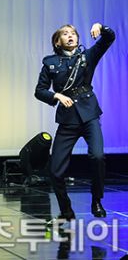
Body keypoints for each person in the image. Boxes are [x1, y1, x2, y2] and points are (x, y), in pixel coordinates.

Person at [34, 22, 115, 221]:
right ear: (57, 41)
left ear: (77, 38)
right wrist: (56, 96)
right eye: (65, 34)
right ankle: (66, 210)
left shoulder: (87, 56)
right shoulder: (50, 62)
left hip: (89, 114)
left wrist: (100, 27)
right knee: (55, 170)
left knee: (97, 156)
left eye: (73, 33)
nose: (70, 36)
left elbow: (109, 38)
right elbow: (39, 91)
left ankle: (97, 200)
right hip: (67, 118)